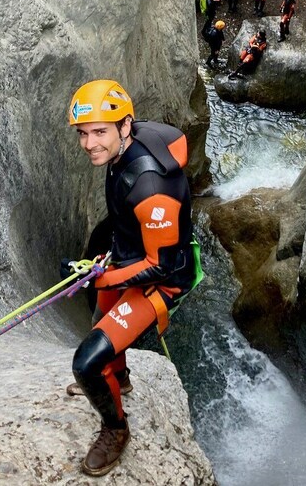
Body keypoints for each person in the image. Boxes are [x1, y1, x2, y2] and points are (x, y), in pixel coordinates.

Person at [66, 79, 197, 476]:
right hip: (130, 257)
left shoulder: (152, 187)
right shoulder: (124, 147)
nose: (90, 144)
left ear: (125, 127)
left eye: (99, 132)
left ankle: (115, 429)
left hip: (160, 279)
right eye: (84, 134)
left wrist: (99, 279)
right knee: (100, 325)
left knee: (87, 363)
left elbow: (164, 266)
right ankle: (118, 382)